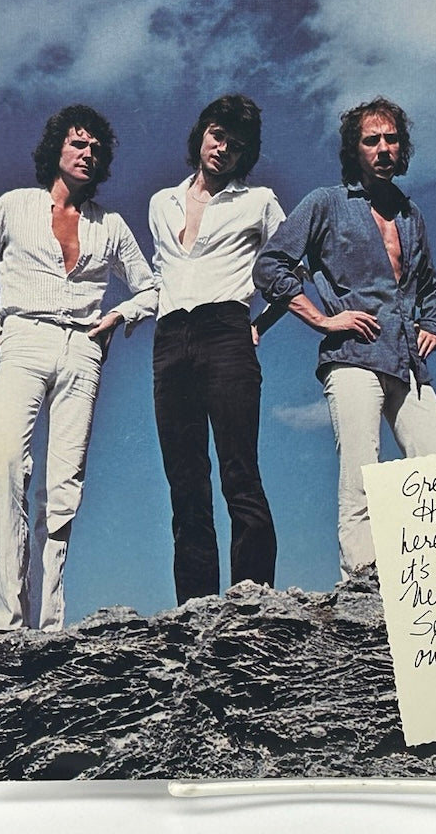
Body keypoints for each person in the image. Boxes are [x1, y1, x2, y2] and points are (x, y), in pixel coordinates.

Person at [254, 97, 436, 577]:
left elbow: (431, 284)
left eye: (391, 139)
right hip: (352, 357)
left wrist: (435, 325)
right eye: (372, 140)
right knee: (362, 475)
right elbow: (271, 265)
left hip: (407, 361)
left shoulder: (410, 214)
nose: (383, 148)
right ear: (355, 149)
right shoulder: (326, 203)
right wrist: (323, 320)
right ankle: (360, 592)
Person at [0, 105, 158, 633]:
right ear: (56, 151)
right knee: (4, 465)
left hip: (83, 349)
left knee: (64, 484)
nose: (88, 155)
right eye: (78, 145)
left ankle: (50, 622)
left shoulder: (110, 225)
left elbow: (150, 286)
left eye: (96, 149)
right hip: (22, 337)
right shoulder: (15, 206)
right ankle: (8, 620)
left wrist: (120, 316)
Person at [149, 95, 282, 604]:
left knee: (238, 472)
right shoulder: (161, 202)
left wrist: (260, 324)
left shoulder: (258, 201)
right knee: (185, 484)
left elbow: (293, 265)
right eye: (217, 134)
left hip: (227, 329)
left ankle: (253, 602)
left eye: (236, 144)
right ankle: (196, 609)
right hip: (170, 338)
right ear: (202, 134)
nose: (223, 148)